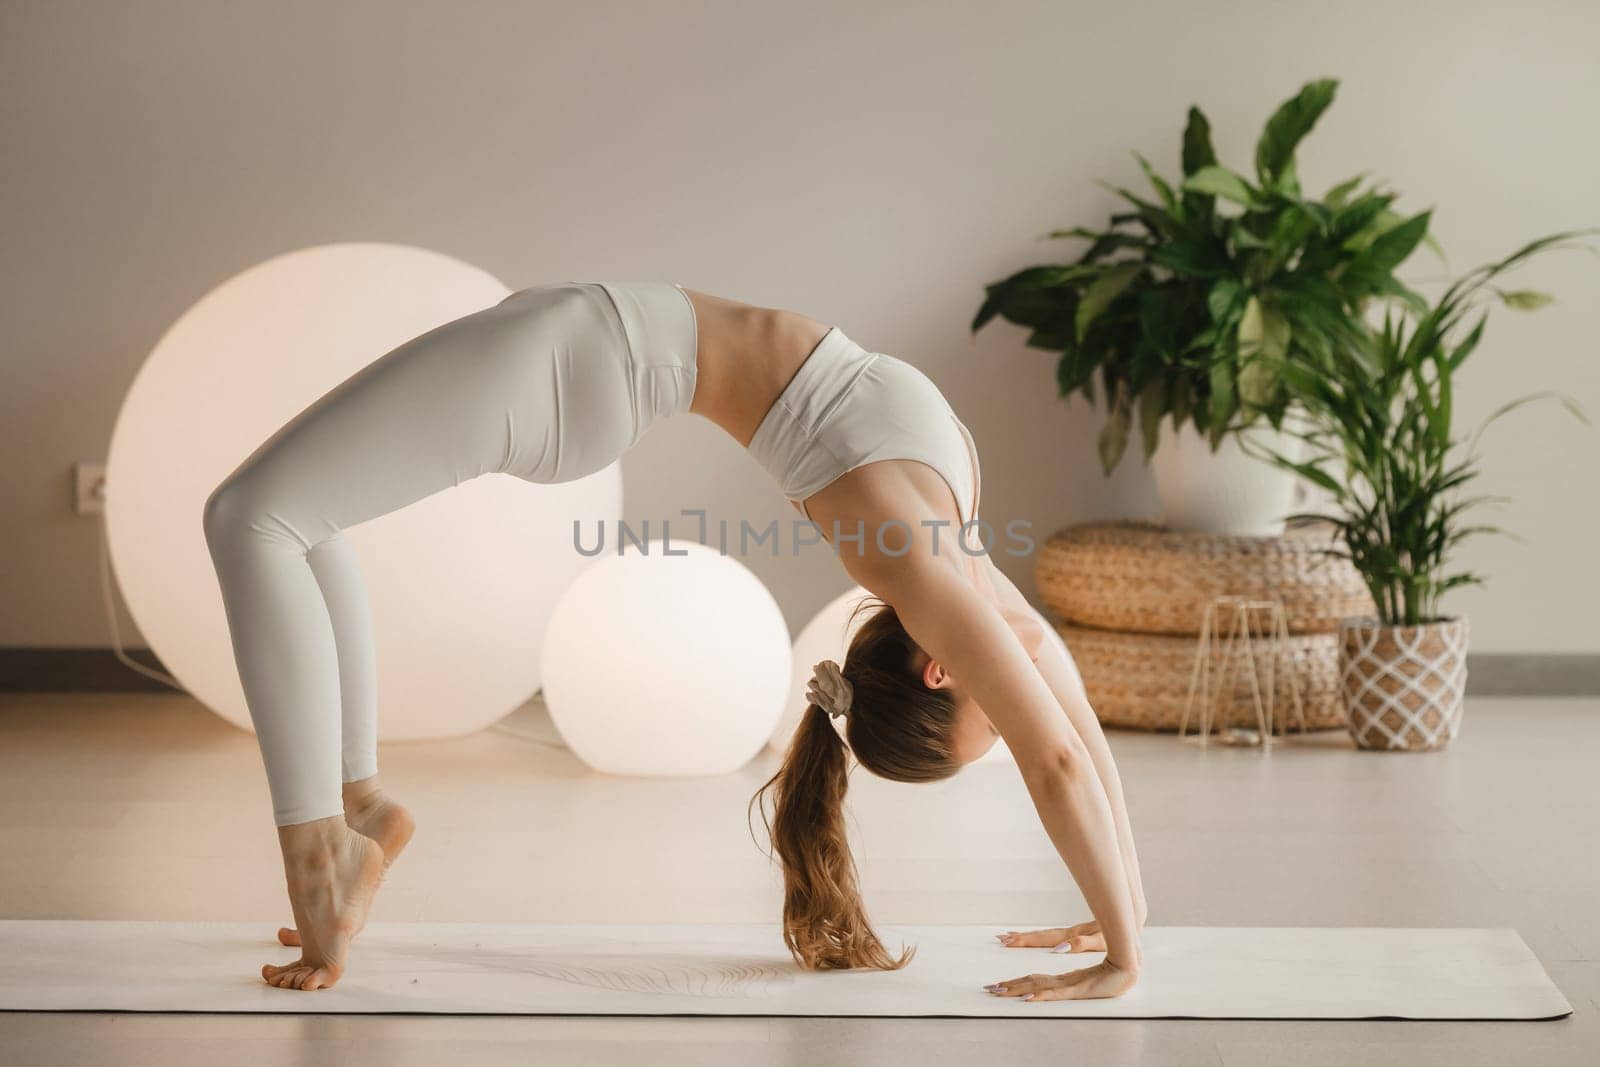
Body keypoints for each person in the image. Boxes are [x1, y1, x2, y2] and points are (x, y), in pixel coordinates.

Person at [202, 281, 1147, 999]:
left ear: (942, 666)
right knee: (297, 516)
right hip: (588, 350)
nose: (1014, 690)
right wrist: (1125, 921)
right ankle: (359, 805)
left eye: (995, 707)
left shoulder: (916, 561)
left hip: (578, 365)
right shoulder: (958, 555)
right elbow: (1068, 730)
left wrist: (1120, 954)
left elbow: (1054, 758)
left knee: (250, 515)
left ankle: (317, 855)